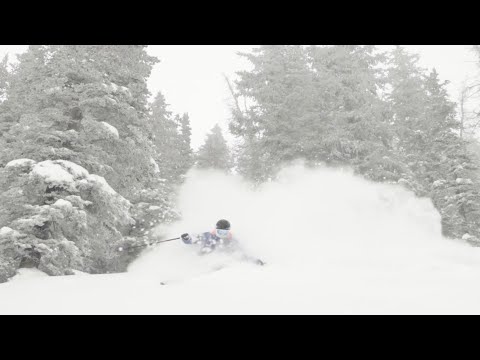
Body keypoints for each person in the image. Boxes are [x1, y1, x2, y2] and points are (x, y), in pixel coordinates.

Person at [181, 219, 265, 266]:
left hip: (219, 262)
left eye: (224, 232)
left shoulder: (231, 240)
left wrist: (254, 260)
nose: (222, 235)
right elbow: (193, 240)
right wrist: (186, 238)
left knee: (231, 254)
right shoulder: (208, 236)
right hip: (202, 259)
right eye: (219, 232)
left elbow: (241, 253)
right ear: (215, 230)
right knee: (208, 247)